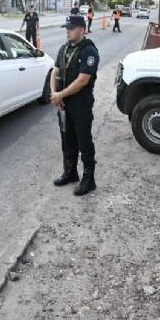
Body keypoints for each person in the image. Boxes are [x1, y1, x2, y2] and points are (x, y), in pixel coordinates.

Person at [50, 15, 99, 196]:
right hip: (64, 104)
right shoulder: (64, 49)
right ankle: (70, 172)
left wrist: (60, 95)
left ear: (81, 29)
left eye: (70, 28)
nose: (67, 31)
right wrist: (55, 95)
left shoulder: (89, 51)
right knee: (67, 140)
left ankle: (89, 179)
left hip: (81, 104)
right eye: (67, 28)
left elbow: (82, 80)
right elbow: (55, 71)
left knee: (83, 141)